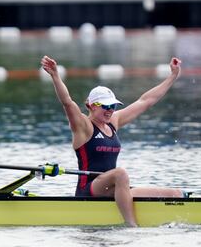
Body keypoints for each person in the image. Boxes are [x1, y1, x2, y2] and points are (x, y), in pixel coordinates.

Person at [41, 56, 185, 227]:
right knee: (121, 173)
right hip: (89, 189)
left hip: (114, 188)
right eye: (106, 106)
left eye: (113, 106)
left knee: (175, 194)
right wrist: (56, 76)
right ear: (92, 106)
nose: (110, 111)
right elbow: (67, 102)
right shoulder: (83, 126)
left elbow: (146, 101)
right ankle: (131, 226)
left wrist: (173, 76)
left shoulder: (113, 122)